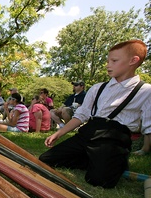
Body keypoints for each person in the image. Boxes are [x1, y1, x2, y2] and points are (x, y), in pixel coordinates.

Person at [39, 40, 151, 188]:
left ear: (133, 60)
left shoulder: (145, 91)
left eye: (114, 60)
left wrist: (144, 150)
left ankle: (114, 160)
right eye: (108, 60)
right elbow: (82, 114)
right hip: (89, 132)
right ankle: (94, 160)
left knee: (98, 181)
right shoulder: (98, 88)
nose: (108, 64)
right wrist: (59, 133)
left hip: (114, 139)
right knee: (46, 159)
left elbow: (148, 126)